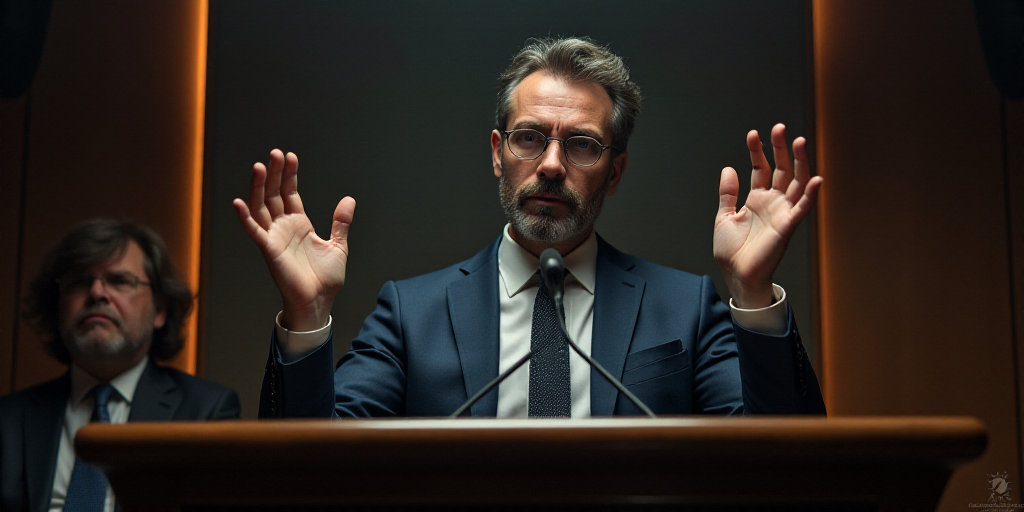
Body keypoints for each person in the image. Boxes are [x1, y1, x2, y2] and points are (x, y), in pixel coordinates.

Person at [238, 37, 826, 419]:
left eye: (582, 145)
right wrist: (308, 317)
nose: (550, 164)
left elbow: (784, 464)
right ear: (498, 154)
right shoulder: (410, 314)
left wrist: (751, 294)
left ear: (615, 172)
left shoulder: (688, 308)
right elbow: (312, 467)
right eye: (529, 137)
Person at [0, 219, 240, 512]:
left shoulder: (205, 412)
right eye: (79, 282)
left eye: (120, 281)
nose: (97, 293)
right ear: (58, 306)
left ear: (160, 311)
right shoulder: (9, 420)